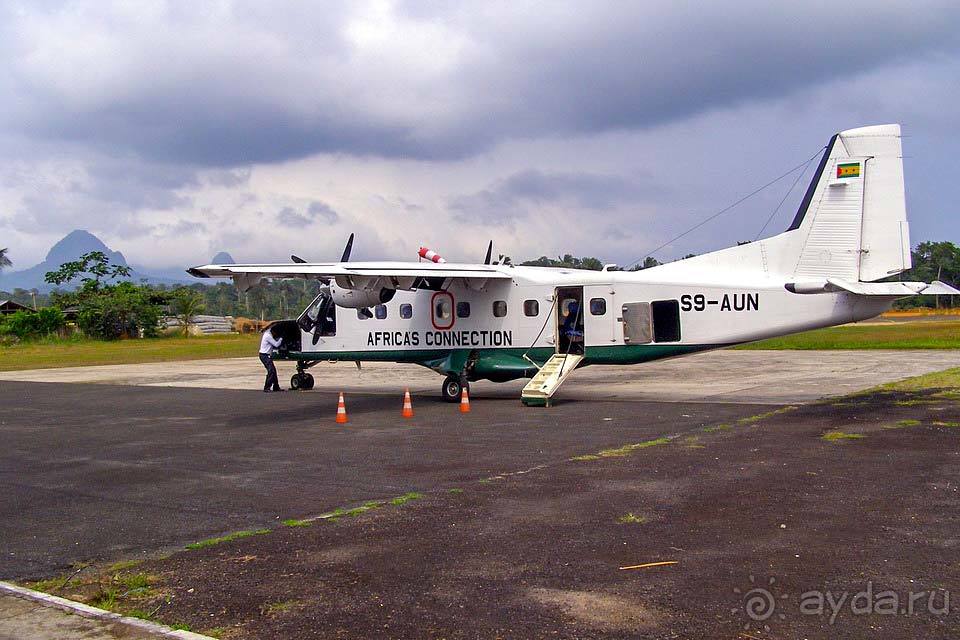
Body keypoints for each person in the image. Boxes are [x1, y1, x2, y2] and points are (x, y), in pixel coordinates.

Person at [259, 325, 284, 392]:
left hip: (266, 355)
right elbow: (276, 344)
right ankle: (267, 387)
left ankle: (276, 387)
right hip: (264, 355)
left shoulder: (268, 333)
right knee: (271, 371)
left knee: (273, 371)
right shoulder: (268, 336)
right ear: (273, 331)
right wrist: (281, 338)